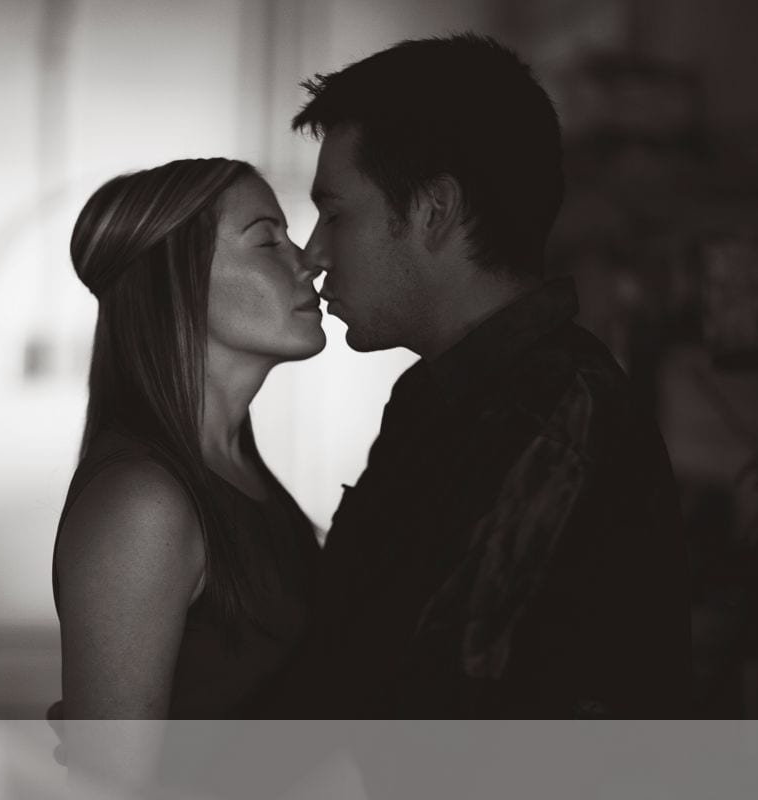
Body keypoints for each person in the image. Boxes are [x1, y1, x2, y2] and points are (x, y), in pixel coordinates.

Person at [251, 32, 692, 719]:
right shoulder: (441, 396)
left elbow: (427, 703)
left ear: (434, 211)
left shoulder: (553, 415)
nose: (311, 254)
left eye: (336, 214)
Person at [52, 158, 326, 742]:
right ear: (180, 277)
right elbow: (111, 787)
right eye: (267, 240)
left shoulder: (236, 469)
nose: (307, 261)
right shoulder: (143, 503)